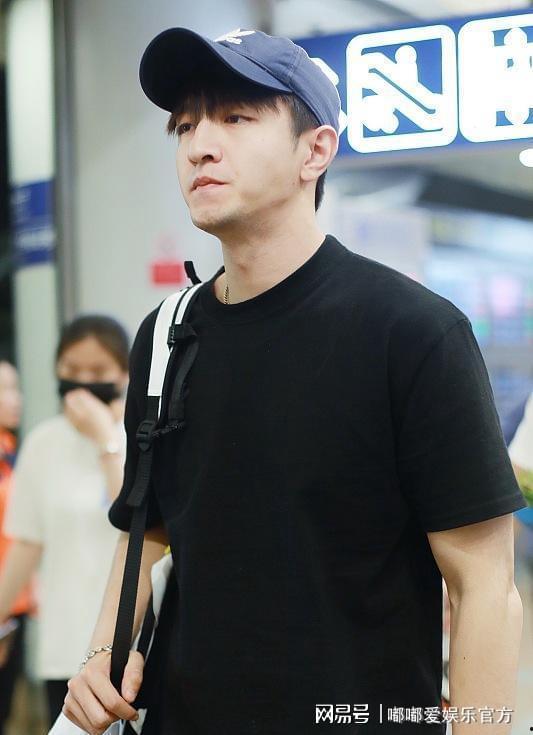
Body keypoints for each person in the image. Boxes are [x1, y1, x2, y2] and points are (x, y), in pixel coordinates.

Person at [64, 27, 526, 735]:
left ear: (315, 150)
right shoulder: (166, 335)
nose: (198, 145)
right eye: (184, 126)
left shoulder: (412, 332)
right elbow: (146, 528)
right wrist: (102, 652)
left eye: (234, 117)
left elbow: (483, 585)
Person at [0, 316, 129, 726]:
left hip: (129, 648)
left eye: (98, 371)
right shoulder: (43, 443)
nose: (83, 383)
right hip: (64, 645)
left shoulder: (140, 435)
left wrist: (105, 438)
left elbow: (133, 518)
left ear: (124, 374)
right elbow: (26, 543)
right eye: (72, 370)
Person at [0, 358, 33, 734]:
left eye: (15, 388)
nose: (15, 399)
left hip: (14, 607)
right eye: (4, 390)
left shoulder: (10, 453)